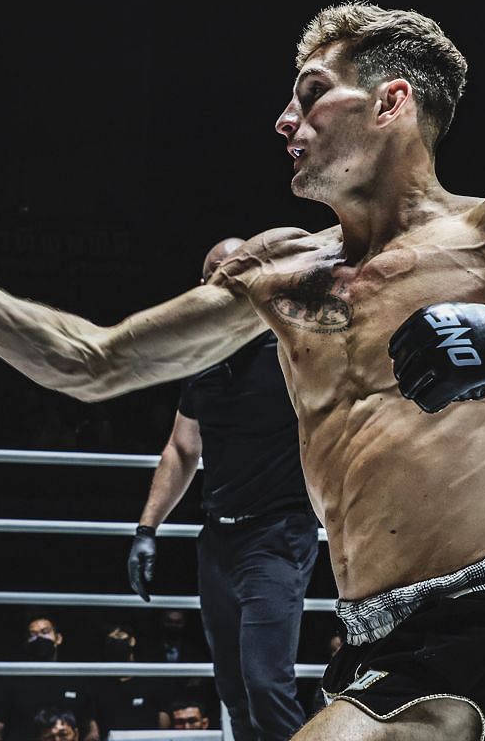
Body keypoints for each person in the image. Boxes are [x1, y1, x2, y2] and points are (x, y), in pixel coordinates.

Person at [0, 0, 485, 738]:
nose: (285, 120)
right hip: (364, 636)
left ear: (390, 102)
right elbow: (94, 361)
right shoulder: (281, 272)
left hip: (483, 622)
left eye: (312, 94)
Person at [127, 237, 317, 741]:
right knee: (232, 689)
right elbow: (183, 449)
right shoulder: (202, 360)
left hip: (277, 535)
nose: (226, 283)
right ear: (203, 287)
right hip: (217, 541)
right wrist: (147, 529)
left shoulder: (292, 350)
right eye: (217, 274)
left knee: (265, 685)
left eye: (237, 273)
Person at [0, 612, 100, 741]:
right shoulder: (13, 679)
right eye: (32, 635)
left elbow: (90, 728)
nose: (39, 638)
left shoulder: (76, 678)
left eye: (45, 632)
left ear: (58, 638)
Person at [91, 622, 170, 735]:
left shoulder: (150, 680)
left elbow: (163, 720)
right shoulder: (99, 685)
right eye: (111, 640)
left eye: (119, 637)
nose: (116, 643)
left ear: (132, 641)